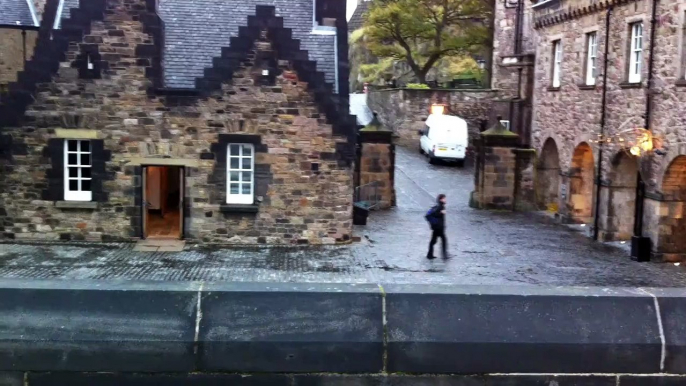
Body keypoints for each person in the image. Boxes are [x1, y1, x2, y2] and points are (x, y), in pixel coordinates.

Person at [425, 194, 448, 260]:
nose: (445, 200)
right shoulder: (441, 207)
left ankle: (429, 255)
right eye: (444, 198)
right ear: (441, 199)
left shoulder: (439, 206)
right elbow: (436, 214)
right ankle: (444, 255)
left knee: (433, 241)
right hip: (439, 228)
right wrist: (441, 213)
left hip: (437, 228)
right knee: (443, 240)